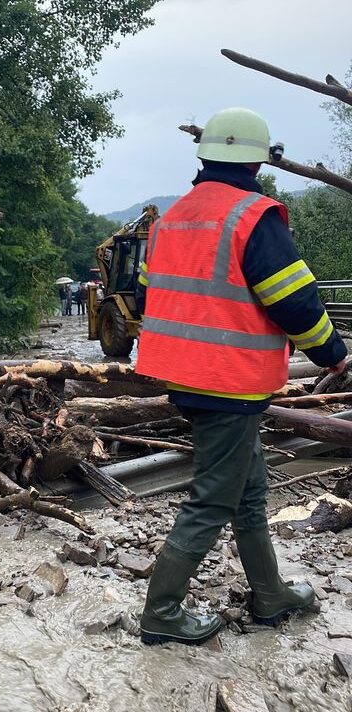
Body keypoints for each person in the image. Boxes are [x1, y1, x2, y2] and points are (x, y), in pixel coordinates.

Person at [135, 107, 347, 646]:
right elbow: (294, 301)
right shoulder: (254, 217)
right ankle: (161, 613)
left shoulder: (171, 218)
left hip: (185, 376)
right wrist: (332, 354)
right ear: (258, 161)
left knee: (249, 492)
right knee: (213, 499)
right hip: (229, 380)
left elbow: (147, 294)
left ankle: (269, 594)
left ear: (205, 155)